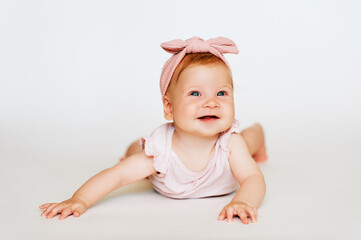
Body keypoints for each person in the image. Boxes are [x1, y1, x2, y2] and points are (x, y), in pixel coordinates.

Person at [39, 36, 268, 224]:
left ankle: (259, 131)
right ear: (169, 108)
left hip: (234, 151)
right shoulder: (160, 152)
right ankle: (131, 149)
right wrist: (78, 199)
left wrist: (244, 201)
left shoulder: (230, 143)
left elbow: (252, 178)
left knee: (248, 140)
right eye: (195, 93)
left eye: (221, 93)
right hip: (157, 164)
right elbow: (117, 176)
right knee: (132, 159)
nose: (211, 103)